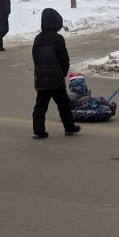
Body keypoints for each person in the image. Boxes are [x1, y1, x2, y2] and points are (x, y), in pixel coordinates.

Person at [31, 8, 82, 139]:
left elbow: (35, 58)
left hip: (41, 77)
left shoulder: (38, 38)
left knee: (41, 105)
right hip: (55, 78)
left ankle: (38, 130)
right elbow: (64, 59)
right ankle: (69, 127)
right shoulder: (58, 39)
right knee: (63, 104)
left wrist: (39, 70)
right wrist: (63, 72)